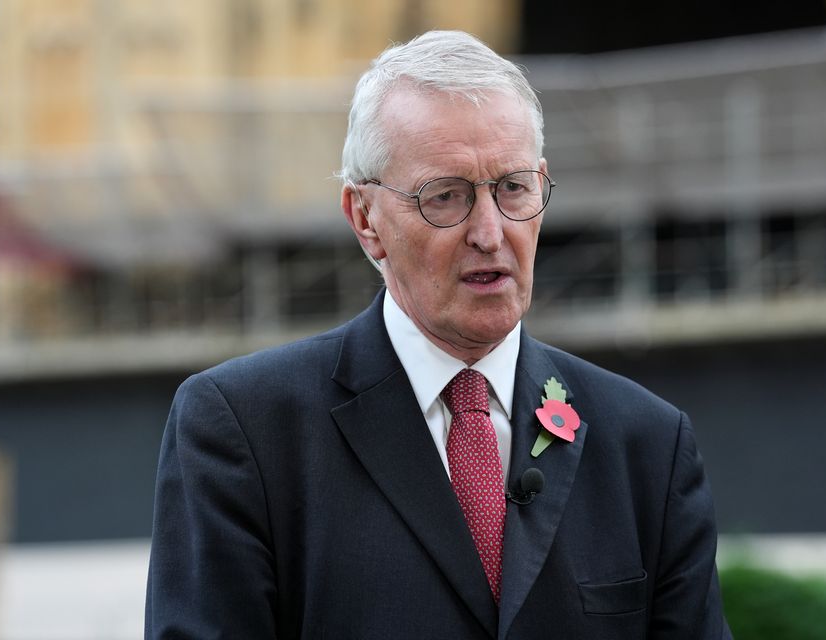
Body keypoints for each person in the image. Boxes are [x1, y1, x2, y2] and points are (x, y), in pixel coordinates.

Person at [145, 30, 732, 639]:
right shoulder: (246, 430)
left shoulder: (647, 444)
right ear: (365, 218)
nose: (489, 231)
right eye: (445, 197)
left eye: (513, 188)